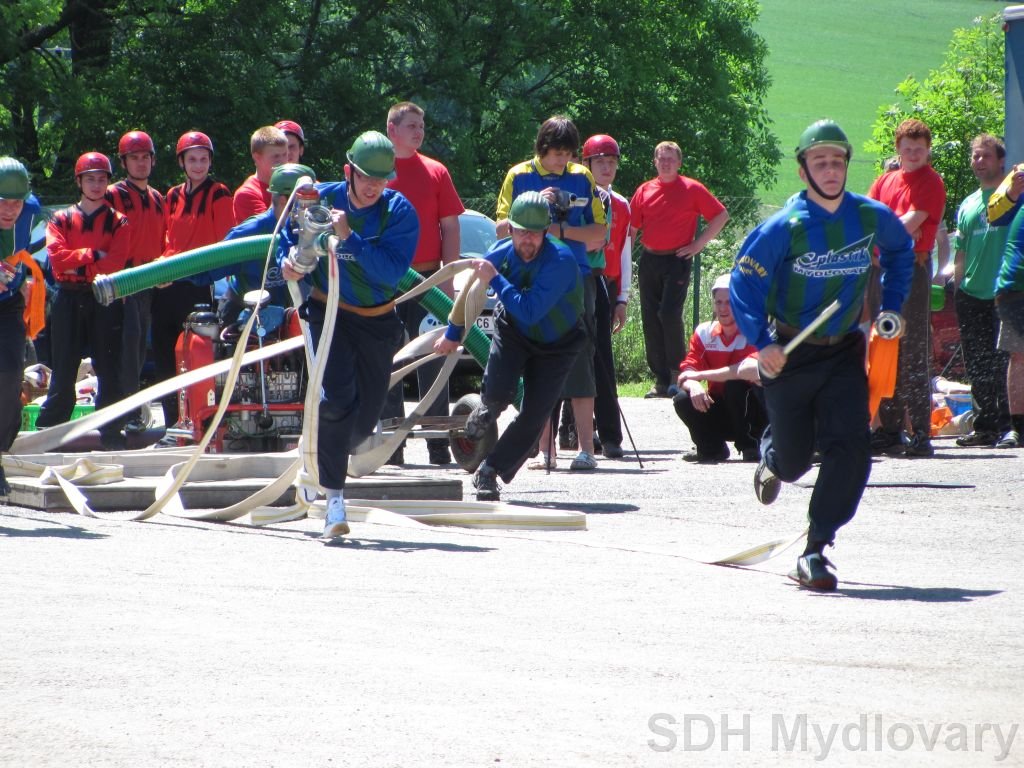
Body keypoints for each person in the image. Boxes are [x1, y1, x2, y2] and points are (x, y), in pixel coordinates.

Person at [730, 120, 914, 592]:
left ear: (847, 165)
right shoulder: (783, 226)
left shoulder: (870, 216)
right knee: (794, 463)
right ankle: (773, 457)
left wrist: (891, 305)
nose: (830, 170)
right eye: (820, 162)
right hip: (789, 354)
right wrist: (762, 342)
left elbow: (901, 251)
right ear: (803, 170)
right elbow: (743, 284)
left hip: (844, 352)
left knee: (851, 446)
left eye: (837, 161)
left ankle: (815, 549)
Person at [284, 131, 418, 539]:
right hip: (329, 313)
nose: (373, 186)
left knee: (366, 418)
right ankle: (334, 499)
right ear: (348, 171)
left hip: (377, 319)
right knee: (337, 399)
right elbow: (289, 237)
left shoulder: (399, 212)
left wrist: (349, 238)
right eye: (365, 177)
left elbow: (391, 273)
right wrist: (289, 262)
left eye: (381, 179)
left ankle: (319, 454)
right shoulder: (318, 198)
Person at [433, 191, 584, 501]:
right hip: (514, 331)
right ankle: (486, 408)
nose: (528, 239)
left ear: (546, 231)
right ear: (510, 229)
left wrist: (496, 279)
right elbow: (470, 294)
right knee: (497, 394)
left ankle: (489, 471)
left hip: (558, 342)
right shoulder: (499, 252)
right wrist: (453, 333)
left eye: (535, 233)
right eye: (522, 231)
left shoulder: (561, 261)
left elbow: (530, 310)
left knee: (535, 415)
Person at [496, 115, 606, 471]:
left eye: (569, 154)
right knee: (535, 360)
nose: (563, 161)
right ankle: (545, 450)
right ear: (542, 149)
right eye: (557, 154)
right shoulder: (518, 176)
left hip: (576, 277)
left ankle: (586, 449)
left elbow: (599, 233)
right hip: (531, 275)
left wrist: (559, 229)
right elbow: (500, 229)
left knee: (581, 357)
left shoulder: (581, 176)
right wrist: (533, 208)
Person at [380, 101, 465, 466]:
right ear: (392, 130)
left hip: (429, 279)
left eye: (422, 126)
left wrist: (448, 279)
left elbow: (450, 226)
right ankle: (390, 446)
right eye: (411, 125)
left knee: (434, 356)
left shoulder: (436, 171)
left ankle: (437, 443)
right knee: (387, 359)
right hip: (384, 282)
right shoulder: (373, 170)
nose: (419, 132)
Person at [35, 152, 130, 450]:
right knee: (63, 367)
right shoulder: (60, 219)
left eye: (102, 179)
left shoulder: (118, 221)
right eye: (90, 179)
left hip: (105, 297)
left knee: (108, 366)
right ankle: (51, 431)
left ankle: (112, 432)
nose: (96, 185)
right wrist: (93, 255)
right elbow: (57, 261)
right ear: (79, 182)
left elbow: (114, 263)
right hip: (68, 296)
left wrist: (79, 263)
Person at [867, 118, 946, 457]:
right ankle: (889, 430)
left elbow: (905, 226)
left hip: (912, 269)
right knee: (887, 345)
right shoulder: (885, 180)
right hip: (882, 270)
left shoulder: (931, 182)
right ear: (898, 149)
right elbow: (867, 221)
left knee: (913, 350)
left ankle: (921, 434)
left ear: (928, 150)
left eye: (919, 149)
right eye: (908, 148)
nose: (913, 154)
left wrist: (886, 234)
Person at [629, 141, 729, 398]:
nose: (666, 163)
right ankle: (661, 380)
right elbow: (632, 229)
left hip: (677, 259)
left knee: (669, 314)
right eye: (661, 159)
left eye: (671, 159)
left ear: (679, 163)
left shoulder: (692, 188)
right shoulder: (644, 190)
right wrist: (623, 261)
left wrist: (698, 244)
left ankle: (677, 373)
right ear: (655, 162)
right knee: (650, 318)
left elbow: (721, 216)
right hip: (649, 259)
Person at [152, 131, 233, 436]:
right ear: (182, 162)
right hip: (167, 286)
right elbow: (167, 240)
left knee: (195, 356)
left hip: (197, 285)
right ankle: (172, 424)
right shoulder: (172, 195)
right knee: (164, 357)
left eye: (203, 159)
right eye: (192, 159)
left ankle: (199, 422)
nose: (198, 165)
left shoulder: (219, 193)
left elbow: (225, 242)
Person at [949, 134, 1016, 448]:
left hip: (1005, 293)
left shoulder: (1014, 198)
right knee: (977, 363)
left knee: (1006, 361)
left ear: (1001, 160)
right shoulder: (968, 203)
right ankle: (984, 426)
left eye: (985, 156)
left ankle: (1009, 425)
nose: (978, 161)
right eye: (975, 156)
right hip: (971, 294)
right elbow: (961, 251)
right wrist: (958, 288)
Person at [191, 163, 316, 325]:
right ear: (284, 200)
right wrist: (169, 275)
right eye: (306, 202)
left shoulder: (312, 231)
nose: (311, 210)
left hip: (289, 315)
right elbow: (205, 269)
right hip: (242, 313)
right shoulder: (250, 232)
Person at [106, 130, 166, 435]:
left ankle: (129, 412)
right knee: (125, 350)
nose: (140, 163)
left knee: (139, 349)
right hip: (122, 282)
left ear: (153, 160)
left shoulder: (157, 198)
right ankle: (123, 414)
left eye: (145, 157)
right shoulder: (112, 195)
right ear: (124, 162)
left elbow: (163, 238)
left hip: (147, 283)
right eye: (134, 158)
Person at [673, 273, 765, 463]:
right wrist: (693, 384)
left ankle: (750, 445)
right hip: (722, 407)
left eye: (729, 302)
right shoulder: (704, 332)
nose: (723, 308)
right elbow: (687, 370)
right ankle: (711, 448)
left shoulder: (755, 331)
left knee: (735, 385)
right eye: (719, 302)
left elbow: (744, 371)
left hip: (755, 412)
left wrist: (699, 375)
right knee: (682, 398)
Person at [579, 133, 631, 459]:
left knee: (602, 360)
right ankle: (570, 430)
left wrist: (622, 297)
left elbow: (624, 252)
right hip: (576, 279)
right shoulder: (577, 196)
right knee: (569, 353)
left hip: (605, 283)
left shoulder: (621, 204)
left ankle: (611, 435)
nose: (606, 167)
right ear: (586, 164)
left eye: (611, 162)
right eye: (600, 162)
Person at [0, 157, 45, 498]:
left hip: (8, 304)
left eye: (16, 203)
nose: (10, 210)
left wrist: (28, 278)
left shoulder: (32, 212)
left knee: (11, 373)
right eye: (3, 202)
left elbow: (40, 254)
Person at [988, 161, 1024, 445]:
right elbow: (993, 215)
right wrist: (1013, 192)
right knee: (1018, 355)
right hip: (1016, 283)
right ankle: (1018, 427)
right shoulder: (1020, 172)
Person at [232, 126, 289, 225]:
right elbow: (269, 228)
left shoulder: (293, 182)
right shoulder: (246, 195)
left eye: (285, 155)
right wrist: (278, 185)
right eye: (276, 156)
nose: (282, 162)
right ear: (257, 158)